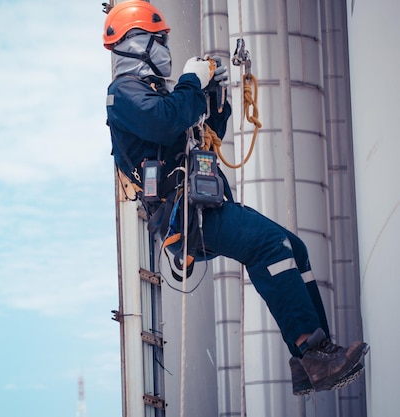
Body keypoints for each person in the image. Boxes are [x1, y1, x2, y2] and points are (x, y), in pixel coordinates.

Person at [102, 0, 368, 396]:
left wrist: (215, 97)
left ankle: (313, 359)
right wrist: (193, 82)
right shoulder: (124, 93)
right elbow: (165, 122)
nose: (165, 49)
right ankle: (311, 352)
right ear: (136, 43)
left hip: (201, 206)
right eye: (158, 40)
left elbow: (201, 131)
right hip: (185, 216)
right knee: (269, 245)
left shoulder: (157, 95)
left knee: (293, 247)